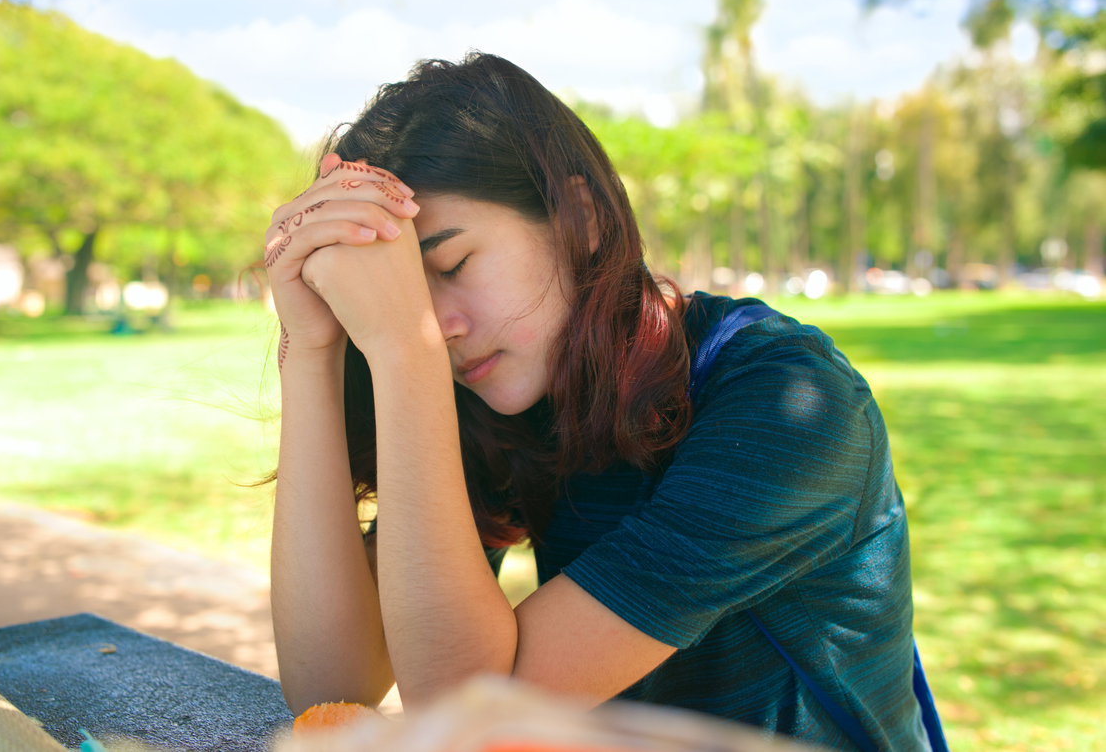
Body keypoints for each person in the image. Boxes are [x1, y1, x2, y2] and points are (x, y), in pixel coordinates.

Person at [264, 53, 928, 751]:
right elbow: (329, 685)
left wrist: (404, 349)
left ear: (578, 218)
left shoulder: (788, 406)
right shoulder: (506, 395)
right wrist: (311, 351)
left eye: (452, 266)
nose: (440, 324)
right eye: (402, 287)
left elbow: (461, 711)